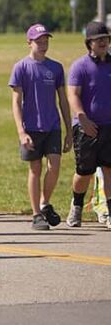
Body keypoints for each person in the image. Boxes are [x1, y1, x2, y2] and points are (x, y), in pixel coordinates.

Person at [10, 24, 71, 230]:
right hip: (31, 127)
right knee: (35, 169)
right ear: (29, 42)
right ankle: (36, 214)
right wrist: (21, 131)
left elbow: (63, 100)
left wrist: (69, 130)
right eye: (39, 41)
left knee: (54, 167)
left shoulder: (56, 68)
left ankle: (45, 202)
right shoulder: (21, 67)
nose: (43, 44)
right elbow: (16, 102)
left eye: (46, 41)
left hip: (52, 125)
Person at [66, 21, 111, 229]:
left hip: (109, 126)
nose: (103, 42)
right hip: (86, 127)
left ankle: (109, 211)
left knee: (109, 169)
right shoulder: (80, 66)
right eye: (98, 39)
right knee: (85, 171)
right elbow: (73, 95)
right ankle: (76, 206)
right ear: (89, 43)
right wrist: (82, 118)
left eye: (105, 38)